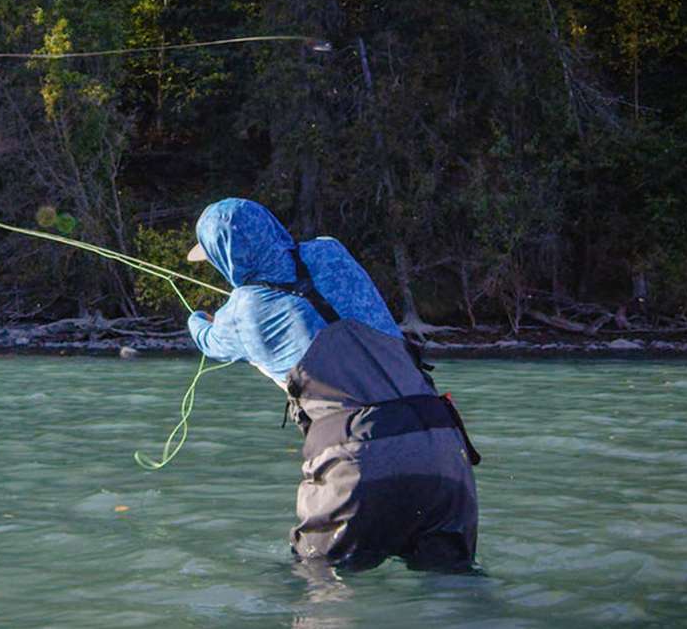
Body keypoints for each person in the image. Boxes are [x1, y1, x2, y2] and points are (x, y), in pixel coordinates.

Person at [184, 198, 480, 573]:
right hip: (441, 445)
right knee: (456, 588)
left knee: (315, 583)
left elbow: (208, 341)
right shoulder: (330, 251)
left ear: (223, 257)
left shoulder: (242, 312)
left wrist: (196, 318)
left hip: (356, 464)